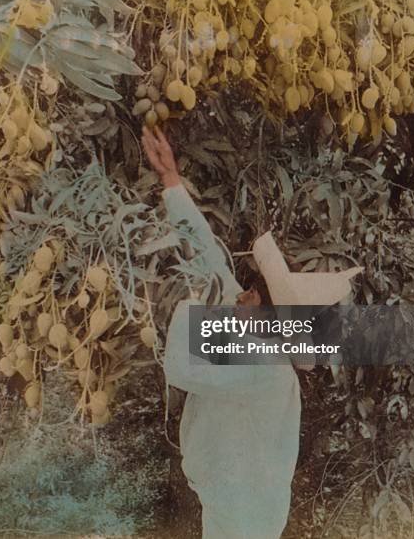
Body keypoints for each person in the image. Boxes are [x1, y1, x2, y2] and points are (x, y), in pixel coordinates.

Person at [141, 124, 362, 539]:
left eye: (257, 295)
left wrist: (199, 308)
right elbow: (209, 261)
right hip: (234, 512)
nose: (245, 294)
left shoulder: (267, 369)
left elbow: (183, 365)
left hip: (244, 521)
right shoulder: (257, 341)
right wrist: (171, 180)